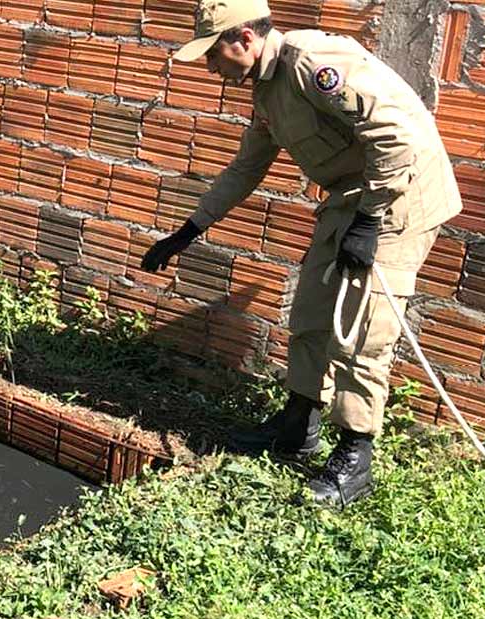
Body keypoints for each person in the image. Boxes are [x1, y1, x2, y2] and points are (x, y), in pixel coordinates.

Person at [140, 0, 462, 505]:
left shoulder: (313, 63)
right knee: (311, 311)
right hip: (350, 198)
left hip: (399, 197)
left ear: (245, 38)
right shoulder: (267, 90)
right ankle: (298, 425)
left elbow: (397, 137)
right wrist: (189, 229)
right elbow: (246, 168)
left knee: (360, 329)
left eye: (213, 54)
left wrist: (370, 221)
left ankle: (355, 456)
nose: (211, 67)